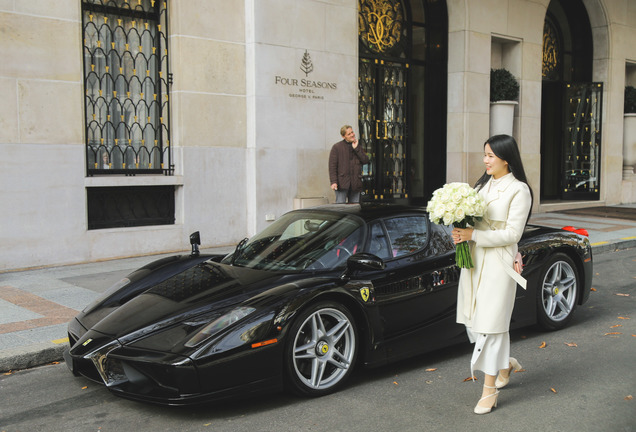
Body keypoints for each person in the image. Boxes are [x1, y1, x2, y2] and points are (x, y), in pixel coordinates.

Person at [451, 134, 533, 415]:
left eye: (490, 155)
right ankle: (504, 364)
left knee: (492, 324)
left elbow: (513, 233)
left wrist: (475, 234)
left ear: (505, 158)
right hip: (473, 259)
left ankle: (489, 391)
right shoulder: (482, 185)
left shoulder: (518, 189)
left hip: (498, 264)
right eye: (484, 154)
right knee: (472, 321)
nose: (485, 160)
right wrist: (460, 230)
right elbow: (472, 218)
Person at [329, 125, 369, 203]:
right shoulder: (337, 147)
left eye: (352, 132)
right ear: (343, 136)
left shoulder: (358, 146)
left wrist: (356, 149)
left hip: (355, 183)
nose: (352, 135)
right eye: (349, 134)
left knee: (354, 208)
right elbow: (332, 166)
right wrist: (333, 182)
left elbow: (365, 161)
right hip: (342, 183)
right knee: (340, 207)